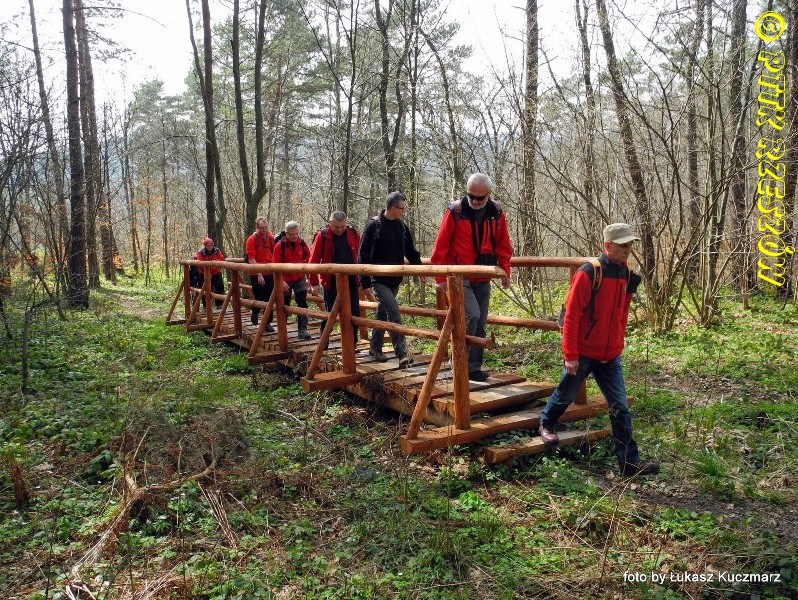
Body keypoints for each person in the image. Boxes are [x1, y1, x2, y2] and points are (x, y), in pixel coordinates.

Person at [538, 223, 660, 478]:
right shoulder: (589, 272)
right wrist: (570, 355)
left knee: (619, 407)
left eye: (630, 245)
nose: (628, 249)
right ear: (608, 246)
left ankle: (629, 463)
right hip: (583, 351)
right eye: (623, 245)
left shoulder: (626, 274)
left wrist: (618, 343)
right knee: (566, 394)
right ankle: (546, 423)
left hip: (610, 354)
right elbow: (571, 316)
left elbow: (622, 313)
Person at [430, 173, 512, 381]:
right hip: (459, 276)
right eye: (471, 196)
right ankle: (458, 364)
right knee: (472, 315)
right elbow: (440, 245)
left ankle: (473, 368)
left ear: (489, 194)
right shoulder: (455, 211)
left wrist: (505, 270)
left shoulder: (496, 212)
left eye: (479, 197)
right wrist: (440, 277)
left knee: (481, 321)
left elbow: (503, 244)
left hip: (483, 275)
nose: (474, 201)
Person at [358, 191, 422, 367]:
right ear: (393, 208)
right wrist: (364, 282)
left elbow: (411, 251)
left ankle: (374, 347)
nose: (403, 212)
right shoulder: (373, 226)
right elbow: (362, 255)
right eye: (402, 209)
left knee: (382, 313)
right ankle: (402, 353)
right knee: (393, 310)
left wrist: (420, 270)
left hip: (395, 279)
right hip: (377, 279)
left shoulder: (401, 226)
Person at [308, 211, 362, 349]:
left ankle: (352, 343)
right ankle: (324, 342)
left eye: (342, 227)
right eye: (336, 227)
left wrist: (363, 278)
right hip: (331, 282)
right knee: (330, 313)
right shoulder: (323, 235)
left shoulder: (353, 233)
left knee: (355, 312)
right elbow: (313, 260)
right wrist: (314, 283)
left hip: (352, 280)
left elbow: (360, 255)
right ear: (330, 223)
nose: (340, 230)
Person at [273, 221, 312, 340]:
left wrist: (308, 278)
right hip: (285, 279)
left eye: (296, 234)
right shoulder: (280, 246)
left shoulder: (302, 244)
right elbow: (275, 264)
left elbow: (308, 261)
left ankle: (302, 329)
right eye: (291, 234)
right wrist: (281, 281)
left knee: (302, 303)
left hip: (299, 278)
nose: (294, 236)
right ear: (286, 233)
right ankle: (282, 328)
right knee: (284, 304)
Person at [245, 217, 275, 330]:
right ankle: (255, 312)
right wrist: (259, 274)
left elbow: (274, 254)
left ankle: (267, 323)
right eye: (261, 228)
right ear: (256, 227)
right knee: (260, 298)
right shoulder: (252, 239)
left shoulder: (271, 238)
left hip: (269, 272)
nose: (264, 230)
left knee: (270, 298)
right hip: (255, 273)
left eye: (266, 227)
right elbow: (251, 258)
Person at [194, 237, 225, 308]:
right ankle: (206, 307)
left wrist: (216, 263)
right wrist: (210, 266)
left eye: (211, 245)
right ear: (205, 246)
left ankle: (219, 305)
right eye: (208, 245)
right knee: (205, 290)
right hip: (204, 274)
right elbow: (200, 263)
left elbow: (221, 259)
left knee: (220, 287)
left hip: (216, 272)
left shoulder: (217, 251)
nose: (210, 247)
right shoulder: (200, 253)